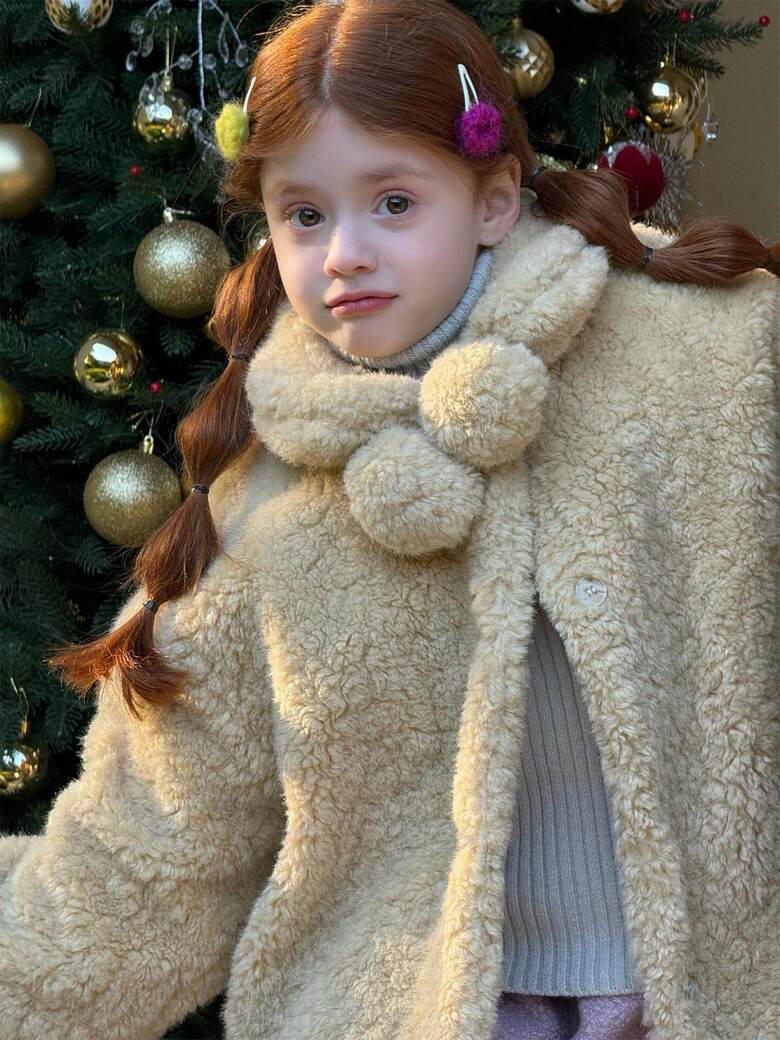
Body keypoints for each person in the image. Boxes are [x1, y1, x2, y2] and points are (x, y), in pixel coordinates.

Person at [2, 2, 777, 1039]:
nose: (344, 254)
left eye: (395, 202)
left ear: (492, 199)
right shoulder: (260, 509)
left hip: (715, 992)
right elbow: (149, 855)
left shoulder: (710, 361)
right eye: (304, 214)